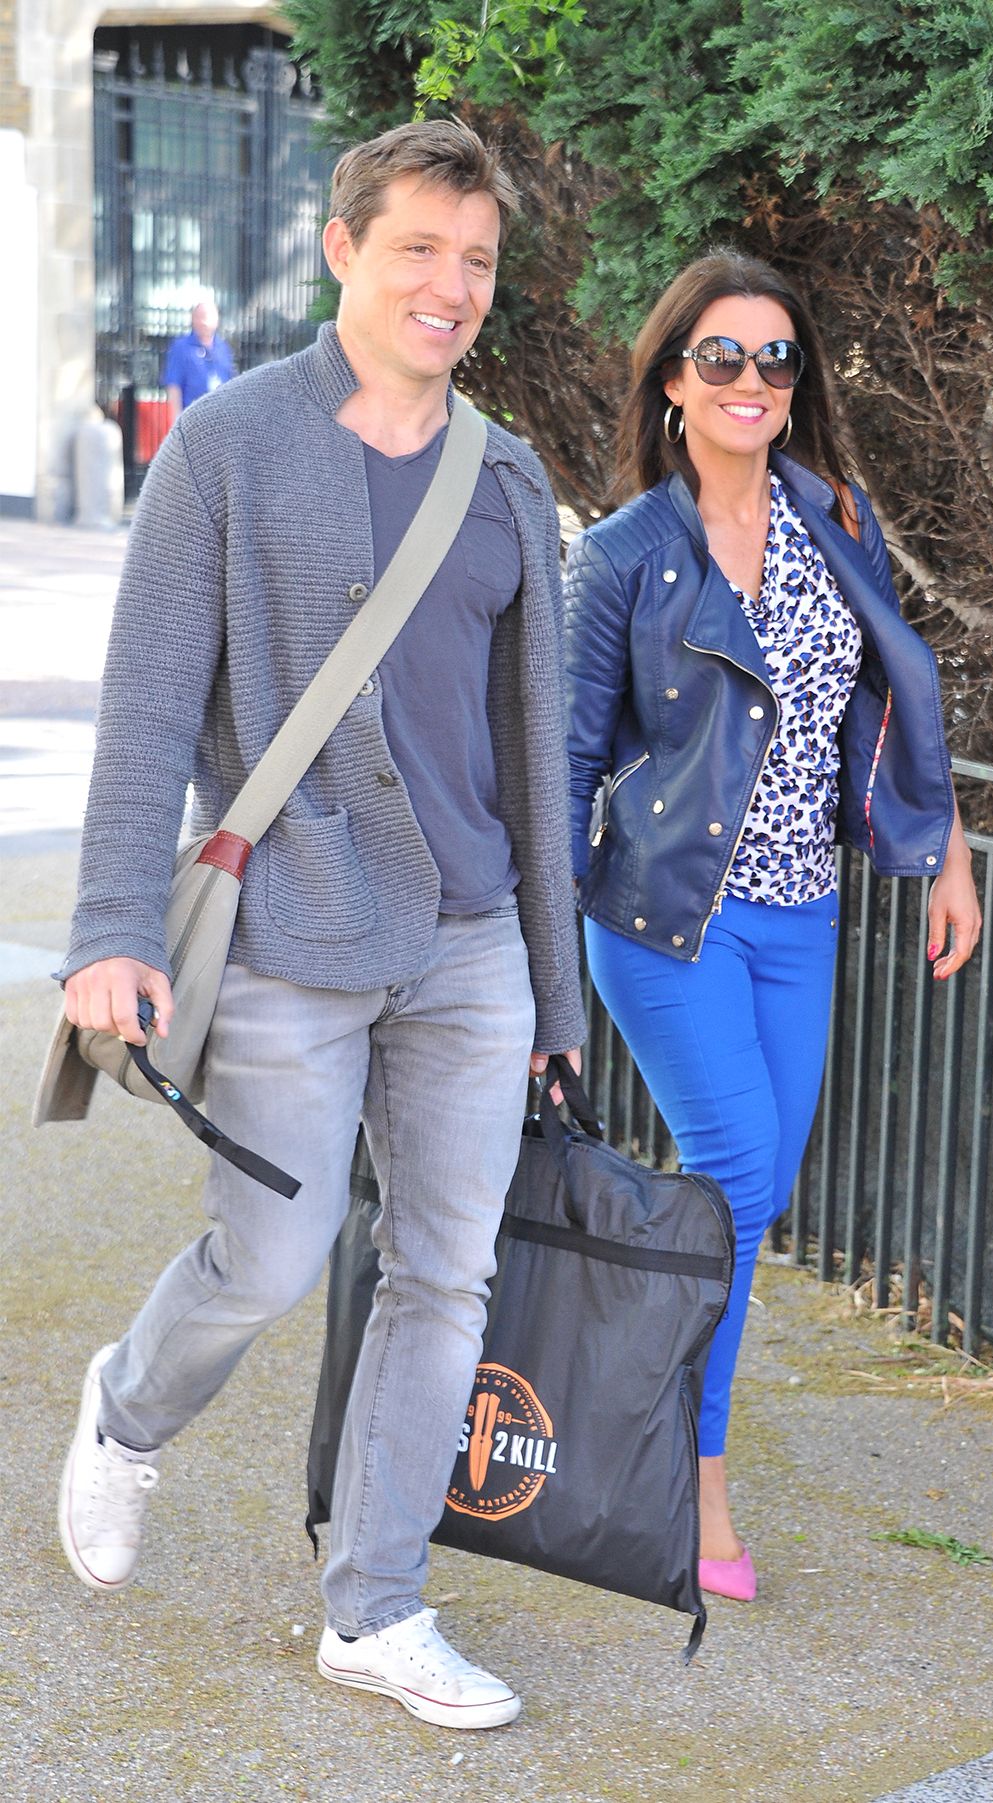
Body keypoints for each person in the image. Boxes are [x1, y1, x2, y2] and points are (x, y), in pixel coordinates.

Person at [56, 118, 584, 1731]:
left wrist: (555, 991)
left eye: (476, 259)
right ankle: (129, 1408)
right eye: (419, 248)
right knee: (273, 1255)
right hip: (291, 921)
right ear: (345, 247)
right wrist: (105, 929)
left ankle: (376, 1604)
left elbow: (533, 752)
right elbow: (147, 712)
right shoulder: (226, 445)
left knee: (445, 1274)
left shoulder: (506, 472)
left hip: (472, 940)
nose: (451, 285)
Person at [563, 251, 981, 1603]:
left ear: (796, 389)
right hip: (663, 919)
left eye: (776, 359)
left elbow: (887, 699)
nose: (751, 380)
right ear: (673, 378)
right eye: (722, 357)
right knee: (737, 1174)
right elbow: (562, 767)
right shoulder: (623, 555)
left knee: (748, 1191)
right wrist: (530, 985)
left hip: (801, 913)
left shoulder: (831, 515)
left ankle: (647, 1435)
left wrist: (946, 852)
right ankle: (693, 1483)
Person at [162, 299, 237, 420]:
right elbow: (174, 385)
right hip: (192, 416)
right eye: (200, 317)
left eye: (208, 317)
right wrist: (176, 418)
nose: (204, 322)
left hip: (218, 416)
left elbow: (230, 382)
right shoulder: (182, 347)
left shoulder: (223, 348)